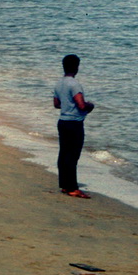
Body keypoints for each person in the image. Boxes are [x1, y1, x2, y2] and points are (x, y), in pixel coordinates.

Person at [52, 54, 96, 197]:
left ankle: (65, 185)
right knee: (73, 155)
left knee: (64, 153)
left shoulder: (59, 83)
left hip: (63, 121)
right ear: (76, 67)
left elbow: (56, 104)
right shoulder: (74, 84)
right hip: (74, 123)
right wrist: (91, 105)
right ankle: (72, 188)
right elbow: (81, 105)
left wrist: (68, 105)